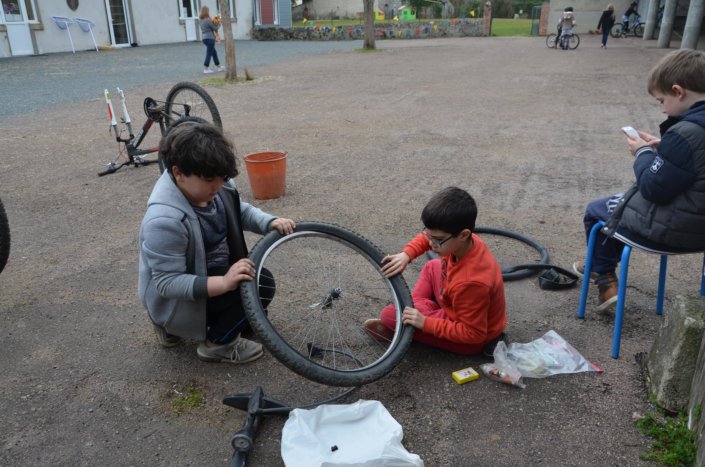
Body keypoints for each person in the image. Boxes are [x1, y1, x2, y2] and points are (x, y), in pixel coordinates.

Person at [138, 121, 296, 364]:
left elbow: (238, 210)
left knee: (249, 283)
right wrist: (224, 282)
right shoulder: (164, 221)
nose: (219, 185)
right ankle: (216, 344)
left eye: (223, 178)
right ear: (178, 173)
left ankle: (212, 322)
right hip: (178, 298)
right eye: (210, 179)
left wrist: (270, 222)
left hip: (210, 272)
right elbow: (168, 283)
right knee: (260, 284)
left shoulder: (216, 184)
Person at [574, 49, 705, 312]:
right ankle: (599, 267)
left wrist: (643, 152)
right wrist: (666, 150)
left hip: (677, 230)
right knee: (619, 205)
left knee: (599, 210)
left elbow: (652, 187)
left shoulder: (685, 133)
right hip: (701, 227)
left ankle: (604, 278)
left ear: (678, 91)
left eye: (661, 100)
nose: (662, 108)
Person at [363, 187, 507, 356]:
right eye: (429, 235)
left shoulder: (472, 283)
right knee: (433, 267)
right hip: (453, 300)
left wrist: (424, 322)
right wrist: (406, 255)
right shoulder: (465, 241)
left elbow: (473, 334)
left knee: (389, 315)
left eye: (437, 240)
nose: (431, 244)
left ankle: (404, 328)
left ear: (463, 235)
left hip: (470, 340)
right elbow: (427, 238)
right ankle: (418, 312)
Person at [199, 5, 224, 74]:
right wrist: (219, 23)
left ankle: (218, 66)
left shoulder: (201, 21)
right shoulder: (208, 20)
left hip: (204, 38)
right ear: (206, 12)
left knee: (214, 52)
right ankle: (206, 68)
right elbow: (215, 28)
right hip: (210, 38)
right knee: (209, 53)